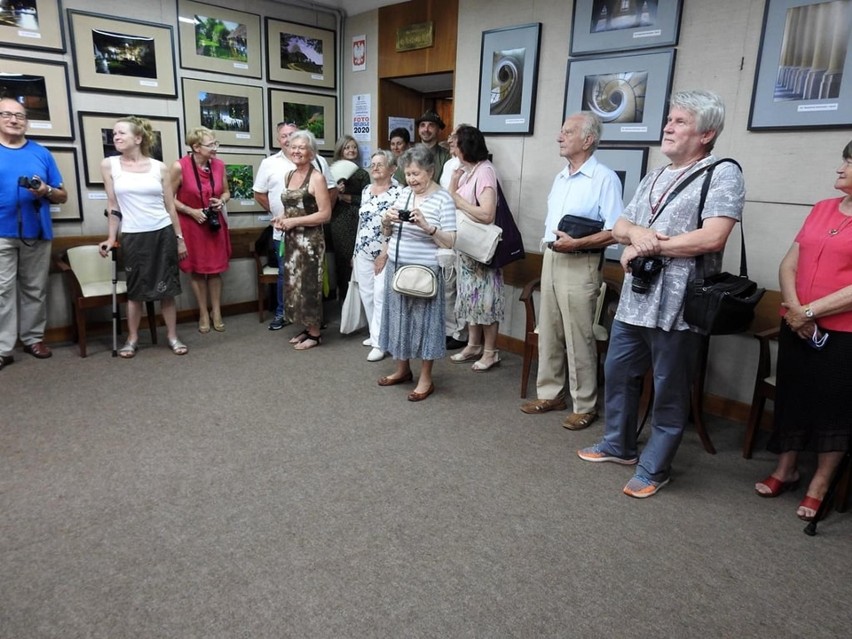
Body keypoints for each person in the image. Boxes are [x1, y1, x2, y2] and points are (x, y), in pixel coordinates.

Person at [577, 90, 745, 498]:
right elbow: (620, 225)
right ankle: (619, 444)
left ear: (707, 133)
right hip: (636, 299)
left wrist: (648, 246)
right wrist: (636, 236)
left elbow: (714, 236)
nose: (668, 127)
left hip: (679, 305)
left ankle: (656, 467)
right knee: (617, 372)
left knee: (669, 387)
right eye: (668, 120)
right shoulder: (655, 175)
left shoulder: (722, 173)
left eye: (680, 122)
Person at [753, 141, 852, 521]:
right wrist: (796, 311)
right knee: (792, 396)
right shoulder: (822, 209)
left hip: (842, 333)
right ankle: (786, 469)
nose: (840, 166)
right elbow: (789, 263)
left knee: (834, 408)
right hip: (796, 324)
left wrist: (810, 311)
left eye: (849, 160)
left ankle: (819, 485)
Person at [519, 112, 623, 430]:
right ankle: (551, 394)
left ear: (588, 139)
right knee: (549, 330)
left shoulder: (604, 178)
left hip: (581, 262)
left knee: (579, 336)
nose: (559, 136)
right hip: (552, 257)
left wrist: (578, 243)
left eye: (567, 132)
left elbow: (617, 231)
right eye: (561, 130)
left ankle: (585, 404)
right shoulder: (561, 176)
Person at [98, 115, 189, 357]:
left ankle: (172, 336)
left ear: (138, 138)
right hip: (133, 235)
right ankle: (132, 338)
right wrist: (110, 237)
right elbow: (113, 204)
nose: (115, 137)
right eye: (114, 133)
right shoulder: (109, 165)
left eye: (121, 133)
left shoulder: (159, 167)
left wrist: (180, 239)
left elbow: (170, 207)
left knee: (167, 289)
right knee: (136, 291)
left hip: (162, 232)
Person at [378, 144, 457, 401]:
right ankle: (402, 369)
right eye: (408, 174)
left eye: (416, 174)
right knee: (399, 318)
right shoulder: (403, 195)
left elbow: (451, 240)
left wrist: (426, 226)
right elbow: (388, 234)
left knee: (425, 325)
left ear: (430, 171)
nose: (411, 179)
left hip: (426, 271)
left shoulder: (443, 198)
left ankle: (426, 378)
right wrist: (386, 222)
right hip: (397, 266)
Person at [0, 98, 68, 371]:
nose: (14, 120)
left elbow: (62, 195)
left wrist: (45, 191)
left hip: (37, 233)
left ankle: (33, 338)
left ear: (27, 121)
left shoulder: (42, 153)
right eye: (7, 114)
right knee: (2, 291)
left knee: (35, 289)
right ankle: (3, 348)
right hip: (2, 234)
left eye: (20, 115)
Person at [447, 125, 506, 372]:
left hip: (482, 251)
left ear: (465, 146)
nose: (450, 145)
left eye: (454, 142)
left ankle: (491, 351)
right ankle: (473, 345)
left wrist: (456, 198)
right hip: (467, 250)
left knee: (486, 302)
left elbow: (487, 213)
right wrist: (454, 181)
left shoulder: (485, 172)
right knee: (470, 299)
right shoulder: (468, 171)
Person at [274, 130, 332, 350]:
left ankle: (315, 334)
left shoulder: (317, 177)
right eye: (293, 147)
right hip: (291, 240)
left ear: (311, 152)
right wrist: (282, 218)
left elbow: (324, 215)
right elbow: (292, 208)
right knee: (294, 284)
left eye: (302, 148)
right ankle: (307, 327)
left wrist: (294, 222)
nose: (296, 151)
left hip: (310, 242)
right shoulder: (289, 175)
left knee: (309, 285)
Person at [170, 127, 232, 334]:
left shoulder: (219, 165)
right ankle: (203, 313)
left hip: (214, 224)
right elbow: (167, 199)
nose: (215, 148)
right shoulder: (179, 167)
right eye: (211, 144)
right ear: (196, 147)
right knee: (197, 271)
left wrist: (221, 201)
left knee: (215, 271)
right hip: (191, 225)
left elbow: (226, 192)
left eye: (216, 143)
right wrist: (191, 211)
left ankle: (216, 312)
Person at [354, 150, 401, 362]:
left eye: (380, 164)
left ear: (392, 169)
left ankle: (381, 343)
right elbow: (361, 222)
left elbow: (397, 228)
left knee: (381, 296)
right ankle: (375, 335)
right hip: (362, 250)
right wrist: (354, 252)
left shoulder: (400, 192)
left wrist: (384, 253)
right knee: (367, 294)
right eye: (372, 164)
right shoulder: (366, 190)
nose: (374, 168)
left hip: (385, 251)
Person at [253, 121, 297, 331]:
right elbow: (259, 193)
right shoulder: (269, 163)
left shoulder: (317, 161)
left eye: (292, 134)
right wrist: (276, 213)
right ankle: (282, 313)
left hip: (310, 230)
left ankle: (310, 315)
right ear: (279, 140)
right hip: (282, 230)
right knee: (284, 273)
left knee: (309, 273)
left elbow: (331, 190)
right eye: (284, 136)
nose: (288, 139)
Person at [330, 134, 371, 302]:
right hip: (339, 220)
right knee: (343, 260)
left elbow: (368, 201)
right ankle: (344, 301)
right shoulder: (331, 171)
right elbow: (323, 201)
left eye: (354, 147)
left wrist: (346, 197)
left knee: (359, 261)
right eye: (347, 147)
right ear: (341, 150)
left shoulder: (362, 174)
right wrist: (334, 192)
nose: (351, 150)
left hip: (358, 220)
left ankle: (359, 302)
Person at [439, 124, 467, 350]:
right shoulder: (449, 164)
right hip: (445, 228)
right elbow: (443, 196)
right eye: (449, 139)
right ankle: (450, 329)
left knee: (462, 286)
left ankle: (462, 333)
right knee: (447, 284)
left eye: (454, 139)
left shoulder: (473, 165)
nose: (450, 142)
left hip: (465, 231)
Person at [416, 110, 451, 183]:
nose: (426, 129)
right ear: (418, 130)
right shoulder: (408, 154)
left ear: (439, 130)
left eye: (431, 125)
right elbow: (399, 184)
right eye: (422, 125)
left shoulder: (447, 156)